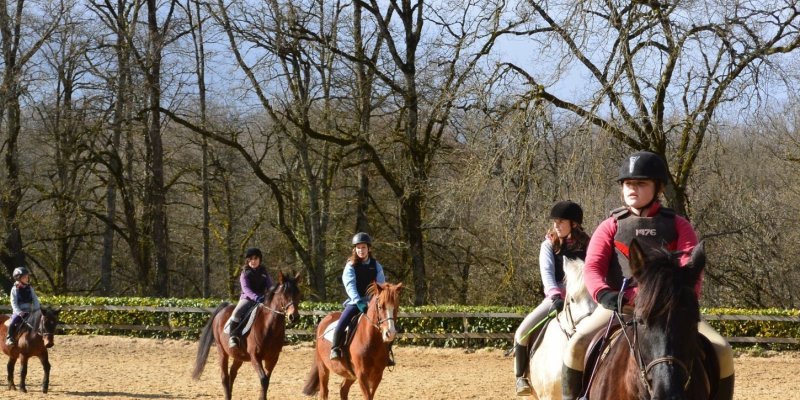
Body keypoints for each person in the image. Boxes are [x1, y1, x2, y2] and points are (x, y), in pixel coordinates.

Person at [560, 151, 735, 400]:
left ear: (658, 188)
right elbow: (593, 267)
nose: (633, 189)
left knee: (722, 350)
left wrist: (678, 301)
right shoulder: (610, 226)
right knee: (575, 347)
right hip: (620, 307)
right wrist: (604, 295)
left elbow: (690, 269)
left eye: (641, 183)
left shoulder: (679, 225)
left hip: (669, 311)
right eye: (628, 184)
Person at [513, 201, 590, 396]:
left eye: (561, 221)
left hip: (584, 298)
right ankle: (520, 377)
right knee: (522, 332)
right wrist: (555, 294)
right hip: (556, 297)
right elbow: (546, 273)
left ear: (574, 223)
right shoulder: (548, 245)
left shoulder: (589, 245)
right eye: (555, 221)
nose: (556, 225)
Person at [329, 232, 393, 365]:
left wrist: (374, 301)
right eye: (358, 248)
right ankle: (335, 348)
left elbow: (380, 285)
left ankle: (387, 354)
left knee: (388, 323)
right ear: (355, 249)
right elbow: (350, 285)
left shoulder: (376, 265)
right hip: (355, 302)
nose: (361, 250)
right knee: (342, 322)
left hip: (373, 302)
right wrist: (358, 301)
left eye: (363, 247)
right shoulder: (350, 266)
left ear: (369, 249)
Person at [224, 247, 273, 348]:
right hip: (247, 299)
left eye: (255, 258)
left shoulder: (264, 272)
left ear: (260, 260)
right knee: (237, 311)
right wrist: (256, 297)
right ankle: (233, 337)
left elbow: (270, 286)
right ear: (248, 260)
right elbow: (246, 289)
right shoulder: (244, 273)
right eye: (250, 259)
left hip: (263, 299)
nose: (253, 261)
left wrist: (272, 295)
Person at [6, 267, 41, 347]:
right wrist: (19, 312)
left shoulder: (30, 288)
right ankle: (9, 338)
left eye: (27, 277)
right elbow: (13, 302)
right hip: (19, 312)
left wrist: (37, 309)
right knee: (13, 321)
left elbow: (35, 299)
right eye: (24, 277)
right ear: (18, 278)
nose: (27, 279)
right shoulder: (14, 289)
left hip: (30, 311)